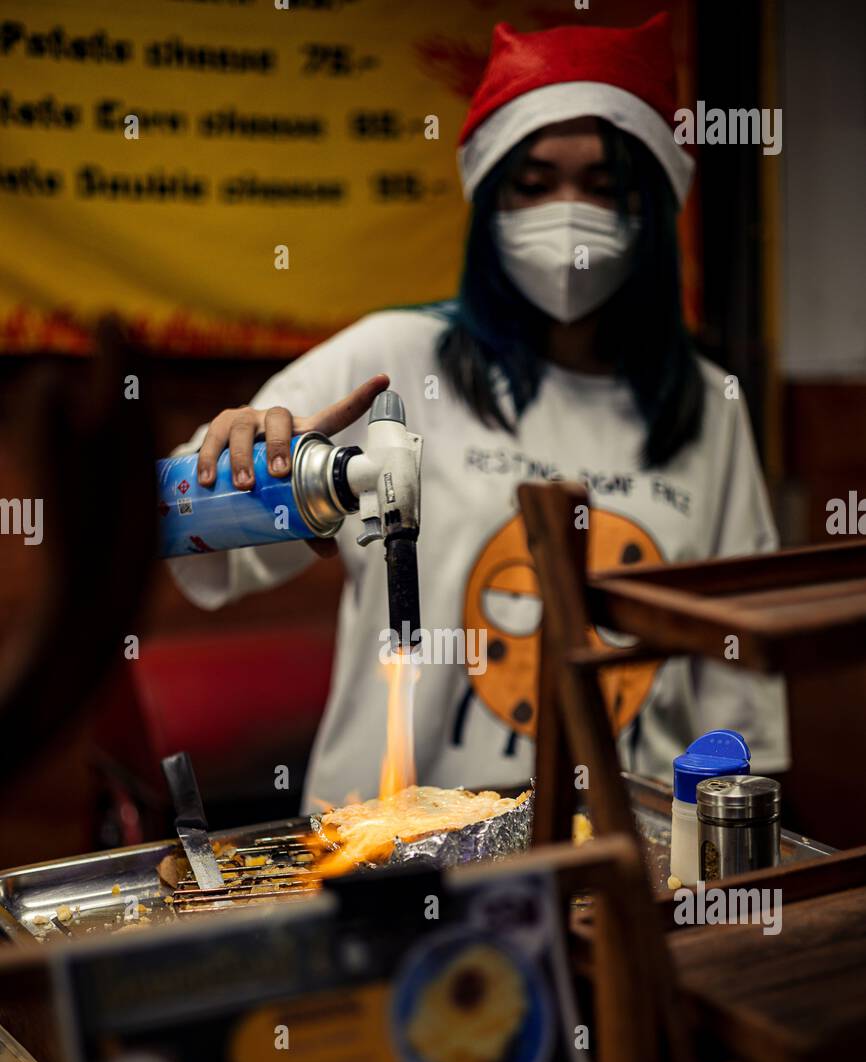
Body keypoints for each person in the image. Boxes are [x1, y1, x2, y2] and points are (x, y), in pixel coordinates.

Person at [170, 13, 788, 813]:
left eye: (603, 186)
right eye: (533, 184)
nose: (568, 211)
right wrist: (233, 473)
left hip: (626, 873)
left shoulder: (709, 405)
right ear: (491, 202)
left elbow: (740, 707)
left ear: (655, 205)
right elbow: (184, 527)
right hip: (386, 859)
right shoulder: (390, 362)